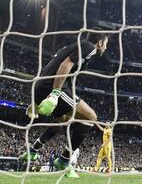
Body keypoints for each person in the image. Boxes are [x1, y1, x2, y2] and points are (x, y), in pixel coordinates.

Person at [20, 30, 109, 178]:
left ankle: (33, 151)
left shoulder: (72, 47)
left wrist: (36, 100)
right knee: (91, 117)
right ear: (100, 42)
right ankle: (64, 161)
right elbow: (65, 65)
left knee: (62, 122)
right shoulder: (90, 47)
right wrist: (55, 94)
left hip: (42, 86)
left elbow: (50, 67)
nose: (106, 48)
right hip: (51, 87)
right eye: (106, 44)